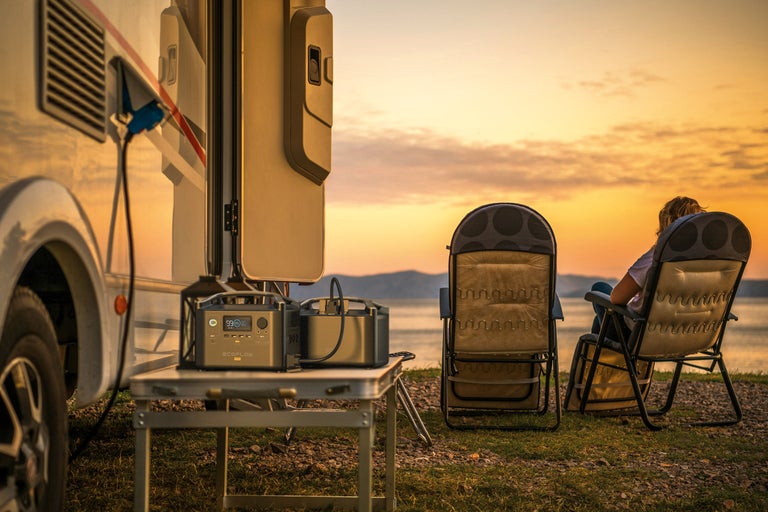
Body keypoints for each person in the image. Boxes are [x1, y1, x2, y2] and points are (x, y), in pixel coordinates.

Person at [590, 196, 706, 340]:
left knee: (599, 288)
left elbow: (617, 298)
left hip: (637, 337)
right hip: (684, 336)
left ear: (667, 226)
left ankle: (599, 361)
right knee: (600, 321)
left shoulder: (656, 257)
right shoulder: (707, 267)